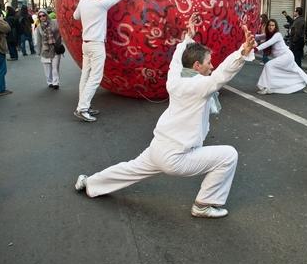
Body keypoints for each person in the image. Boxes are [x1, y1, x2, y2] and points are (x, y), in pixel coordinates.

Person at [74, 13, 257, 218]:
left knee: (128, 170)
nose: (211, 65)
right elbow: (221, 75)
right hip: (176, 157)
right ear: (197, 66)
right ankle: (204, 204)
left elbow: (176, 61)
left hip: (158, 148)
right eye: (208, 62)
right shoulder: (198, 85)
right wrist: (242, 52)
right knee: (228, 156)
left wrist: (188, 37)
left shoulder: (176, 78)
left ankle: (89, 183)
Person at [73, 0, 136, 122]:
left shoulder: (84, 2)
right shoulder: (101, 3)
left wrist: (83, 1)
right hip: (95, 45)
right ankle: (82, 108)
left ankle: (83, 105)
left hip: (86, 44)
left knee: (85, 75)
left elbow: (76, 17)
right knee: (95, 77)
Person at [255, 19, 307, 95]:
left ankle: (267, 88)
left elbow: (268, 43)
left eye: (272, 25)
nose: (271, 27)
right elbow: (258, 37)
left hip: (286, 56)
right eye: (269, 25)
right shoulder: (268, 35)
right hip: (286, 56)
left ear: (275, 26)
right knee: (297, 70)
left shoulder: (277, 35)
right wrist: (246, 33)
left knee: (269, 65)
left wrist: (257, 48)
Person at [35, 9, 62, 89]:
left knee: (55, 67)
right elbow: (39, 40)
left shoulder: (55, 22)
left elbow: (61, 31)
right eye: (40, 16)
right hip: (45, 50)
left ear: (46, 15)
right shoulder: (39, 27)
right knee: (47, 68)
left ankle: (55, 83)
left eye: (43, 15)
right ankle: (49, 82)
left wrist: (59, 42)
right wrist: (38, 51)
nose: (42, 17)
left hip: (55, 48)